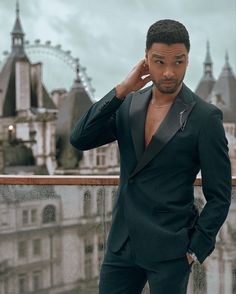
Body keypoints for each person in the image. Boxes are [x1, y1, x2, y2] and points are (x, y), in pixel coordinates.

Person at [70, 19, 231, 294]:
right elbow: (80, 138)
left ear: (188, 60)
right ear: (145, 60)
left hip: (171, 251)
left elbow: (220, 194)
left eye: (178, 62)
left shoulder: (205, 118)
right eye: (159, 62)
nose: (169, 72)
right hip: (121, 246)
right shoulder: (129, 104)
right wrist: (121, 89)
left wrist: (195, 249)